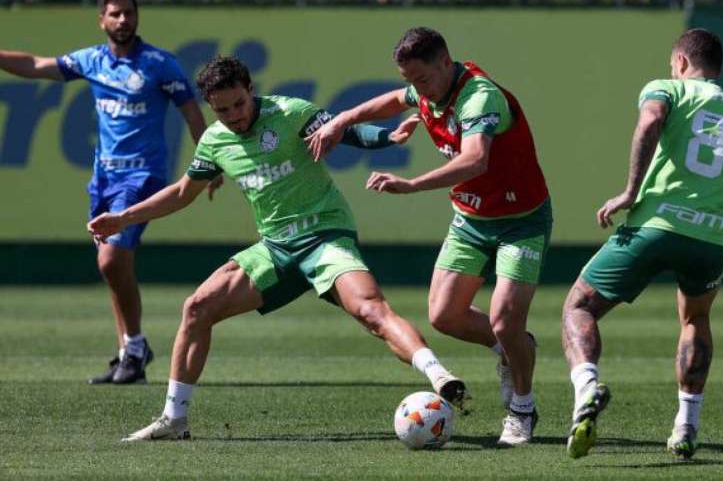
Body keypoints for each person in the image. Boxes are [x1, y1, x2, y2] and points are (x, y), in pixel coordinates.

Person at [88, 55, 467, 441]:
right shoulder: (215, 141)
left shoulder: (289, 112)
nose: (234, 115)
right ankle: (173, 420)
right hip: (275, 247)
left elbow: (343, 130)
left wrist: (387, 137)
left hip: (324, 236)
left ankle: (439, 376)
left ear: (250, 90)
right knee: (197, 308)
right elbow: (183, 193)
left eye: (239, 103)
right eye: (222, 110)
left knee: (371, 311)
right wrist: (123, 218)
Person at [306, 27, 551, 446]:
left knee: (505, 318)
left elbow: (475, 159)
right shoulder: (425, 90)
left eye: (422, 78)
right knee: (444, 315)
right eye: (409, 80)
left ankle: (522, 410)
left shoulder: (479, 96)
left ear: (445, 62)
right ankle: (513, 351)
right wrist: (341, 120)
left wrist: (413, 185)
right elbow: (392, 101)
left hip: (521, 221)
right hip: (471, 219)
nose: (416, 89)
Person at [561, 28, 723, 460]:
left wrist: (628, 191)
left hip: (654, 226)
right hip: (711, 238)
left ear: (680, 62)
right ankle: (685, 428)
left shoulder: (666, 88)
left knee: (579, 306)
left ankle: (586, 390)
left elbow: (651, 120)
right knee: (695, 318)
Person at [0, 0, 218, 384]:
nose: (123, 20)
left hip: (143, 177)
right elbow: (34, 64)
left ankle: (133, 347)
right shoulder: (91, 61)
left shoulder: (159, 64)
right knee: (115, 269)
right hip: (104, 180)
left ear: (137, 17)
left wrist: (210, 165)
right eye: (115, 14)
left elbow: (191, 112)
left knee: (110, 260)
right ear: (101, 20)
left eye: (128, 13)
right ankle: (131, 351)